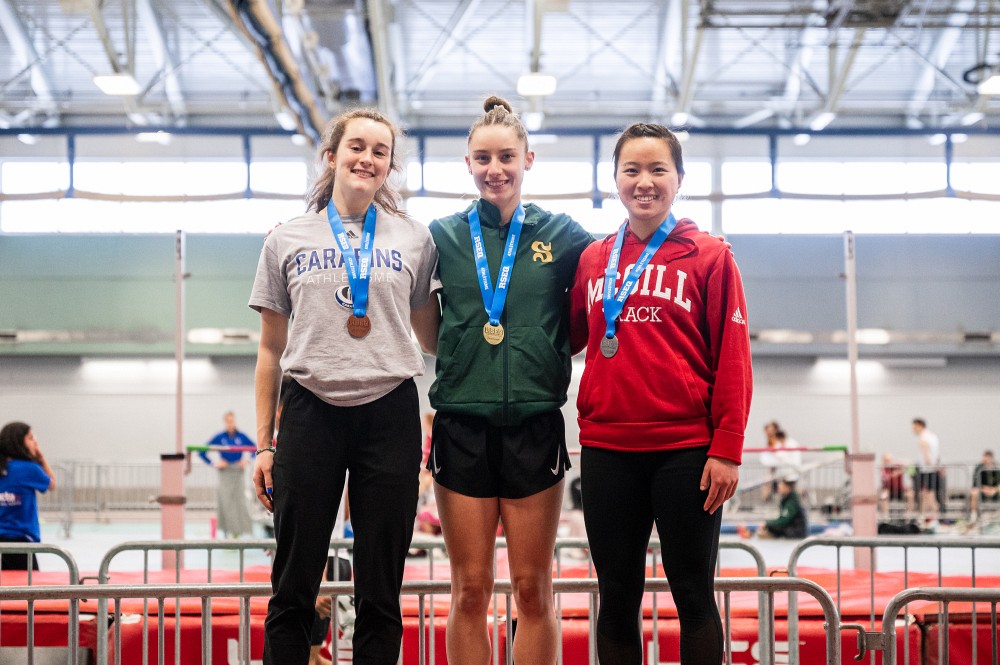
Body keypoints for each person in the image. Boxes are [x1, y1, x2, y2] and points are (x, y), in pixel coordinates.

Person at [249, 108, 439, 665]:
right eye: (357, 146)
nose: (368, 158)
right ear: (331, 157)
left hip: (390, 411)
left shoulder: (415, 238)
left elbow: (432, 337)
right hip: (310, 411)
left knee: (380, 589)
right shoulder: (285, 238)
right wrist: (263, 444)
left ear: (389, 166)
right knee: (293, 585)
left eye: (381, 151)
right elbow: (269, 351)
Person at [569, 122, 752, 665]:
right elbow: (566, 337)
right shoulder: (594, 259)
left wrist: (727, 447)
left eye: (657, 169)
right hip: (608, 451)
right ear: (615, 179)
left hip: (686, 452)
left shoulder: (710, 256)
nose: (644, 182)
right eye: (632, 170)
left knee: (693, 596)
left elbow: (733, 357)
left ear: (679, 178)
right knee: (616, 600)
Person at [425, 95, 593, 665]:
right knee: (470, 589)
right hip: (461, 427)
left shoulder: (563, 234)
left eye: (506, 157)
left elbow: (622, 259)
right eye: (483, 158)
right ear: (467, 164)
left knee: (532, 589)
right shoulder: (442, 236)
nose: (494, 169)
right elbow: (384, 263)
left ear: (528, 160)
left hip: (534, 425)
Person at [0, 422, 57, 570]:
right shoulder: (29, 469)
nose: (35, 442)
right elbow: (51, 484)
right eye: (31, 438)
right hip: (21, 542)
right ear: (19, 442)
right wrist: (41, 458)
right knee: (27, 583)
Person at [199, 411, 254, 538]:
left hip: (238, 472)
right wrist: (214, 463)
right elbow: (202, 451)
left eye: (232, 421)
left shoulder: (241, 436)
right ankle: (226, 532)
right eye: (228, 421)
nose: (230, 424)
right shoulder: (220, 437)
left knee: (239, 502)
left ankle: (239, 532)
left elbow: (255, 448)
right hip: (225, 472)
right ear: (225, 422)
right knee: (225, 502)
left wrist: (247, 460)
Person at [757, 475, 808, 539]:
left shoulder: (791, 501)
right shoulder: (785, 499)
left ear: (787, 487)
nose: (779, 487)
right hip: (791, 530)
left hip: (795, 533)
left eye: (781, 485)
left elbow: (784, 520)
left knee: (772, 528)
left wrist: (767, 524)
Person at [912, 418, 941, 518]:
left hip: (926, 469)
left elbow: (926, 454)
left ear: (920, 426)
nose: (913, 430)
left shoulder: (923, 437)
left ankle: (935, 517)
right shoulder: (932, 436)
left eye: (914, 427)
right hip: (930, 468)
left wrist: (931, 464)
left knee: (930, 496)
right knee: (924, 494)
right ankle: (922, 516)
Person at [970, 449, 1000, 522]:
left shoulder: (996, 468)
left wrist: (994, 490)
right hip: (982, 490)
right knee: (974, 492)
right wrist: (984, 489)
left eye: (989, 458)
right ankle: (973, 515)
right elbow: (975, 483)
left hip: (994, 491)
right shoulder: (979, 468)